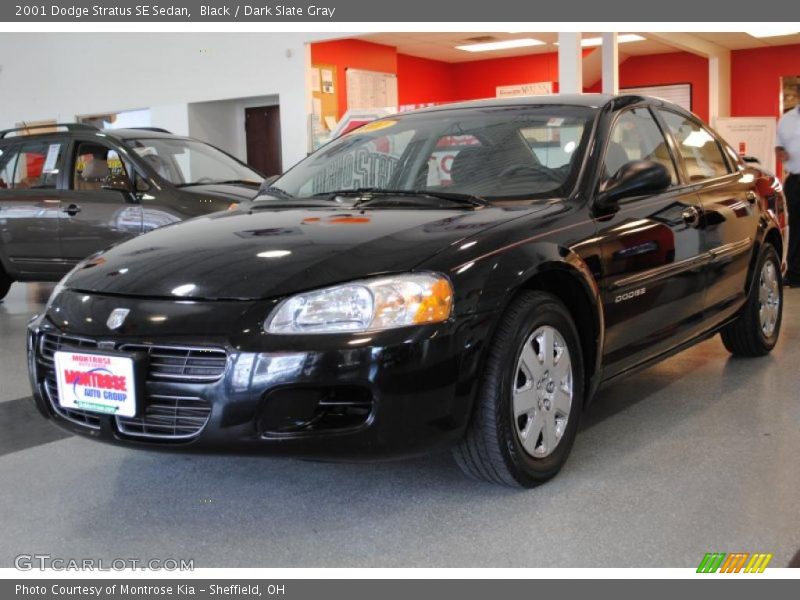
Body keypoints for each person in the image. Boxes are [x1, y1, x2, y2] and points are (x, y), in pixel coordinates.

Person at [776, 90, 800, 285]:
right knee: (796, 228)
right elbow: (778, 146)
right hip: (795, 181)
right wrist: (781, 152)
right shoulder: (786, 120)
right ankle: (794, 274)